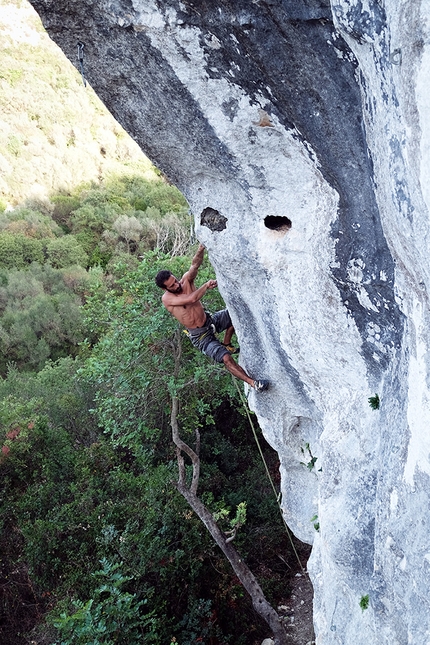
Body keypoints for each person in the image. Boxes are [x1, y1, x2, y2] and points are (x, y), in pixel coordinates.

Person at [155, 244, 269, 392]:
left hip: (210, 322)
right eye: (172, 285)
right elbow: (191, 299)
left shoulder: (185, 281)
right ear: (165, 289)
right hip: (201, 337)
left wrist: (201, 248)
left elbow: (195, 265)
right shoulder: (167, 299)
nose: (176, 285)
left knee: (237, 311)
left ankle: (227, 342)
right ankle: (254, 384)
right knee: (226, 358)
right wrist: (206, 286)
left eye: (175, 280)